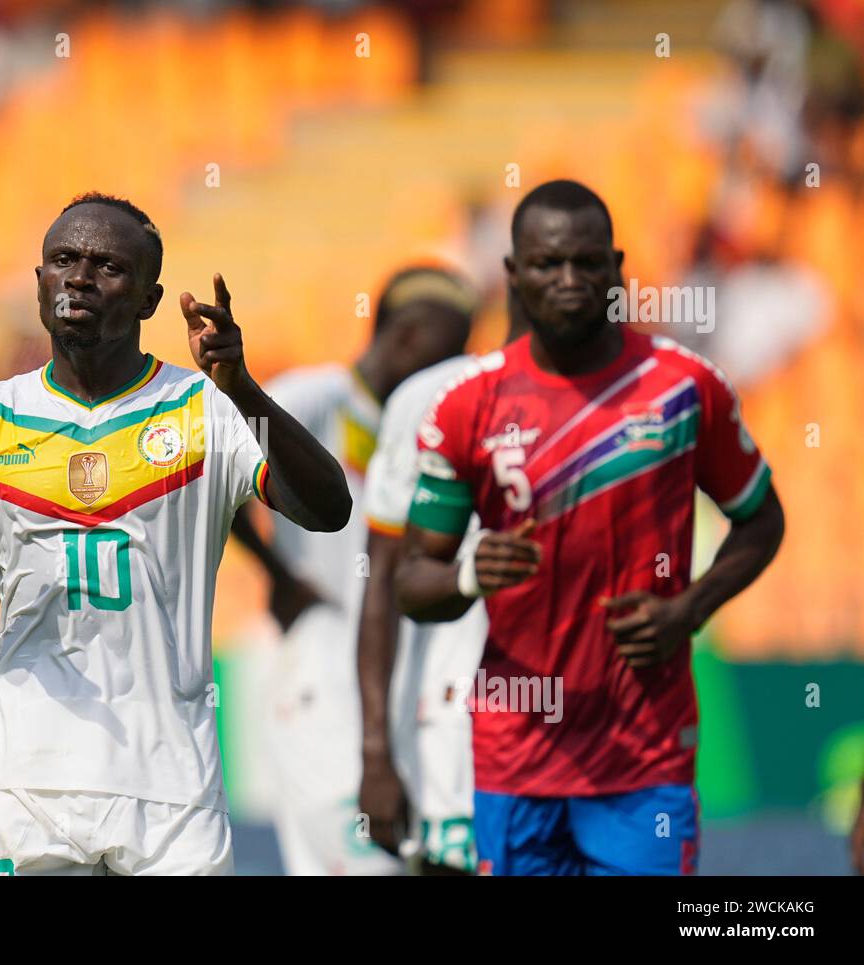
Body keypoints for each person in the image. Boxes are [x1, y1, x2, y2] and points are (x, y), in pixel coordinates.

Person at [0, 193, 351, 876]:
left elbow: (328, 508)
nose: (80, 278)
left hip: (172, 786)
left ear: (151, 300)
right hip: (27, 781)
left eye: (108, 266)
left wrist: (244, 388)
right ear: (39, 282)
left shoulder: (207, 410)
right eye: (63, 260)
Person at [394, 180, 785, 876]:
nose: (570, 280)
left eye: (588, 262)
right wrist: (467, 574)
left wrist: (690, 607)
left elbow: (762, 518)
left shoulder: (682, 387)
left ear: (616, 268)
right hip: (515, 755)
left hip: (646, 755)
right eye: (548, 264)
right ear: (514, 276)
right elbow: (412, 580)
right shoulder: (467, 408)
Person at [231, 266, 478, 874]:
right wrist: (278, 576)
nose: (453, 372)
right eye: (448, 352)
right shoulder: (314, 396)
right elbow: (219, 470)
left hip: (393, 673)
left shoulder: (424, 427)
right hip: (319, 664)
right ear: (406, 337)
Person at [357, 289, 528, 875]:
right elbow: (381, 580)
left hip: (574, 726)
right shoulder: (434, 397)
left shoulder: (619, 397)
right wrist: (375, 753)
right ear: (515, 278)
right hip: (451, 720)